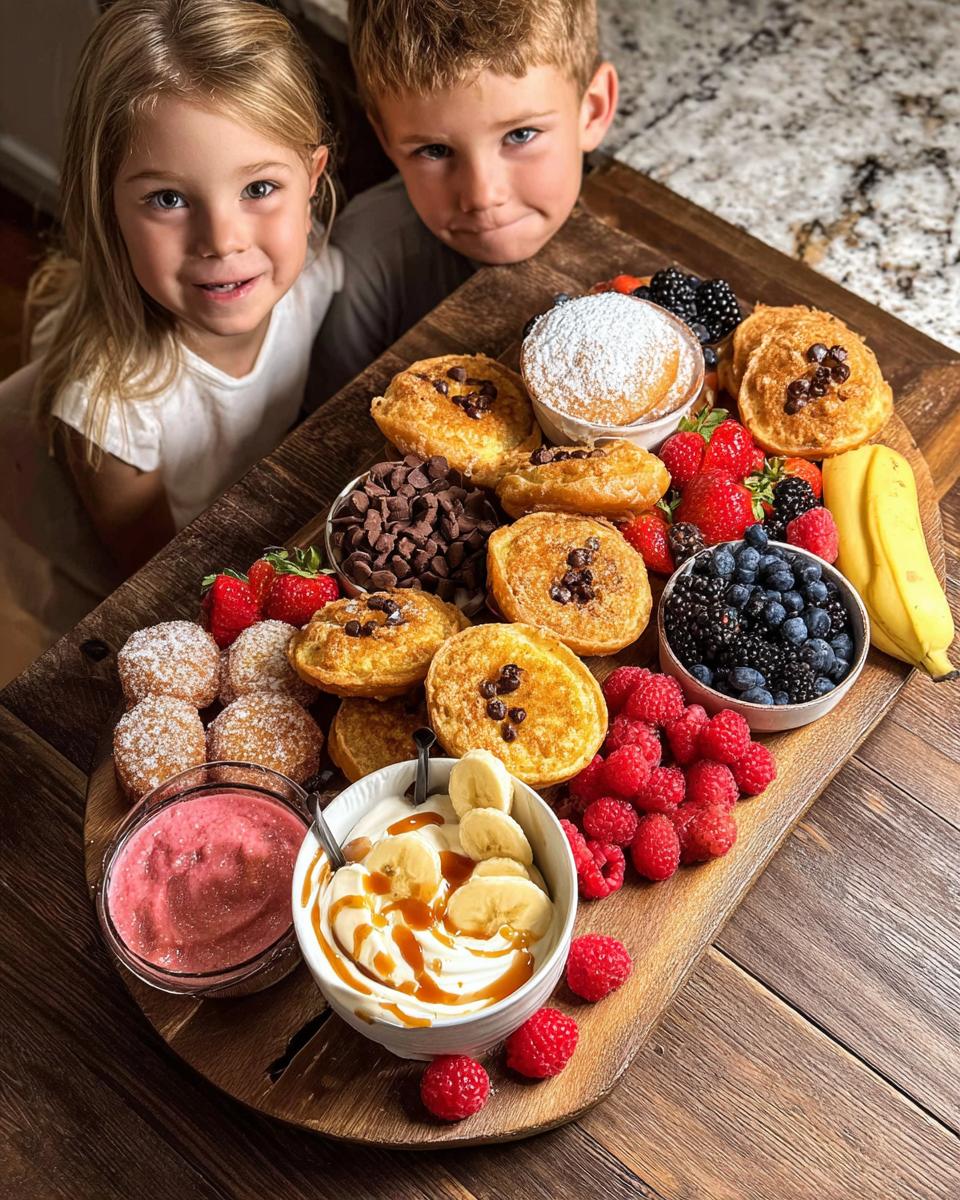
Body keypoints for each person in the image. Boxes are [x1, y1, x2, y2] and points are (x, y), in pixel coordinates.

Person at [0, 0, 342, 676]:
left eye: (260, 187)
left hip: (253, 532)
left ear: (314, 178)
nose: (222, 240)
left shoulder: (316, 273)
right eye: (168, 200)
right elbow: (162, 586)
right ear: (109, 210)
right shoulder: (110, 411)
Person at [306, 0, 618, 409]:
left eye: (520, 135)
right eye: (434, 150)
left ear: (591, 112)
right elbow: (332, 425)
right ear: (385, 139)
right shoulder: (364, 257)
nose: (482, 195)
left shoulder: (644, 225)